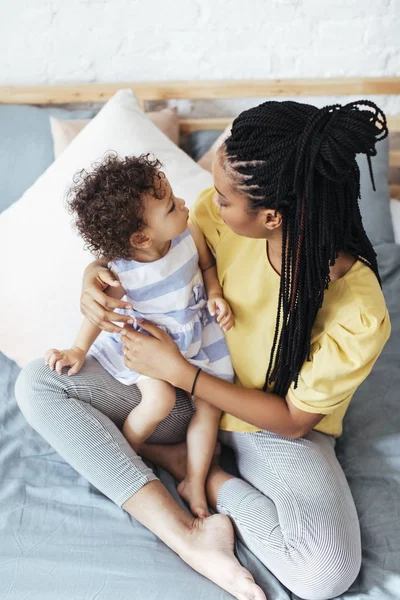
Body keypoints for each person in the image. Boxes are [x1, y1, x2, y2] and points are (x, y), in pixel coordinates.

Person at [16, 99, 391, 600]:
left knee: (326, 573)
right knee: (38, 384)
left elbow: (295, 421)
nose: (207, 201)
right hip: (181, 393)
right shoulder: (222, 218)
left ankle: (202, 475)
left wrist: (181, 373)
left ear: (273, 217)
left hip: (270, 425)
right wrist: (97, 273)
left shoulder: (359, 311)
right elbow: (156, 252)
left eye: (222, 196)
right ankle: (186, 533)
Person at [43, 153, 234, 519]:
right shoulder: (123, 272)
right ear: (141, 236)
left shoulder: (189, 233)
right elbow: (102, 313)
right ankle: (126, 455)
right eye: (170, 207)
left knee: (211, 403)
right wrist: (78, 349)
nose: (182, 204)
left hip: (195, 337)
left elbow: (207, 266)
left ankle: (194, 479)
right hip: (147, 346)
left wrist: (215, 294)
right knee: (158, 400)